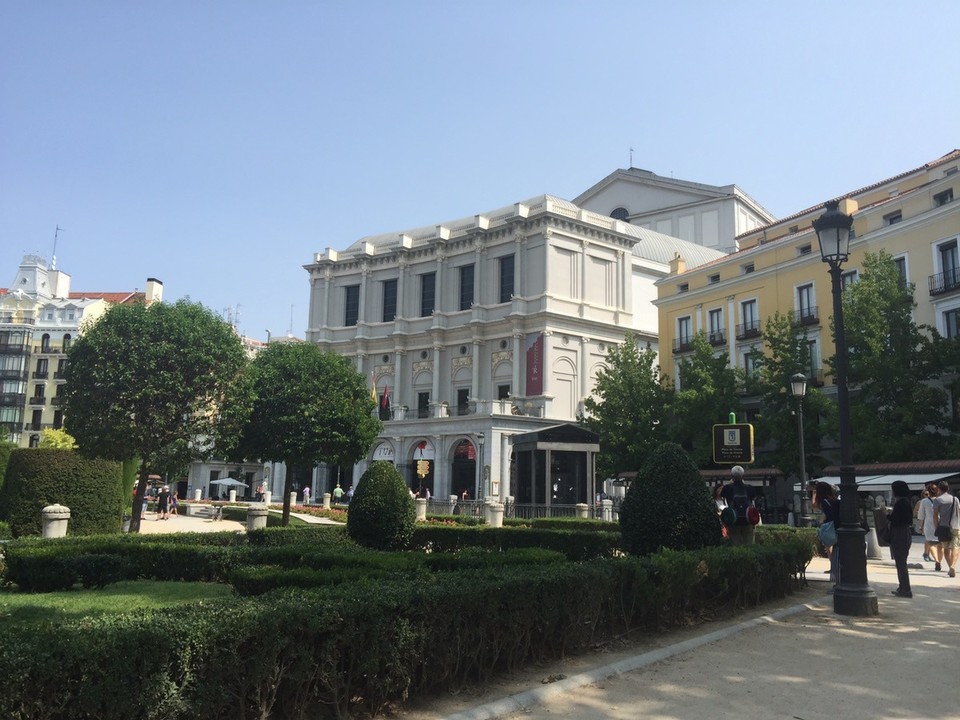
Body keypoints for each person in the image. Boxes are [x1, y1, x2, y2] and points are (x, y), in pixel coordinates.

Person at [888, 480, 914, 598]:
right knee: (901, 562)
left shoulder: (900, 504)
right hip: (905, 532)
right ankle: (903, 587)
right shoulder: (906, 502)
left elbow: (895, 519)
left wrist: (887, 514)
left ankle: (905, 588)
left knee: (901, 562)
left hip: (899, 533)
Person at [719, 466, 757, 545]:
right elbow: (754, 498)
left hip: (734, 520)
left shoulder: (727, 488)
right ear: (743, 476)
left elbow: (722, 496)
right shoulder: (749, 488)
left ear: (732, 476)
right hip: (748, 520)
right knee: (749, 544)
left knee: (736, 544)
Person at [812, 481, 838, 587]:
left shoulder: (824, 501)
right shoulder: (832, 500)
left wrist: (813, 494)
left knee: (829, 547)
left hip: (830, 527)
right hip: (835, 526)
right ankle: (834, 567)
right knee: (833, 549)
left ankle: (834, 568)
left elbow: (814, 505)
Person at [933, 480, 959, 578]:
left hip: (944, 527)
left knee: (947, 549)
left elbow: (935, 516)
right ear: (948, 489)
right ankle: (953, 566)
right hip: (956, 526)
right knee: (955, 546)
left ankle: (950, 568)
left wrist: (936, 527)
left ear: (939, 489)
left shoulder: (938, 500)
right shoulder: (955, 499)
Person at [918, 484, 942, 567]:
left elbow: (921, 515)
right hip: (940, 525)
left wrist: (921, 527)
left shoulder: (924, 501)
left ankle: (937, 560)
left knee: (931, 544)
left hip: (928, 525)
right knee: (940, 545)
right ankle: (939, 561)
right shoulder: (941, 500)